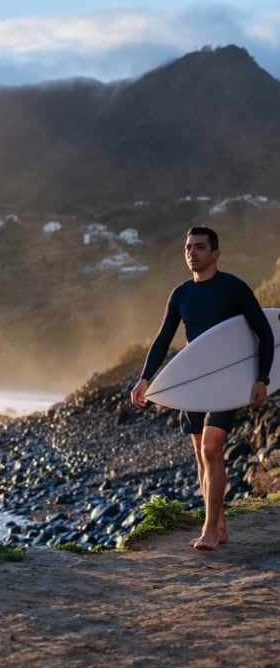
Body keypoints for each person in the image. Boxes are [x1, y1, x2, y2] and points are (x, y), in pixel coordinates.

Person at [131, 226, 274, 550]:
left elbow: (265, 333)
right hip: (196, 382)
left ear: (215, 254)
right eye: (188, 248)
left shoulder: (233, 288)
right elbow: (163, 338)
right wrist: (145, 378)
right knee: (200, 455)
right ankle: (220, 526)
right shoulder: (181, 294)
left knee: (211, 449)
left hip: (227, 381)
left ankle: (209, 530)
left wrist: (262, 379)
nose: (192, 253)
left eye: (199, 247)